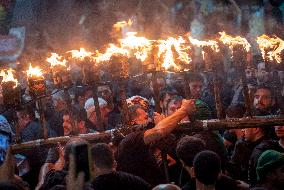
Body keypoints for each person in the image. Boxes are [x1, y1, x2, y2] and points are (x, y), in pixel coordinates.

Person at [117, 99, 196, 186]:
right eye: (146, 118)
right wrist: (184, 109)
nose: (151, 120)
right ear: (133, 122)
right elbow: (159, 131)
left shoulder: (146, 144)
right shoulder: (130, 140)